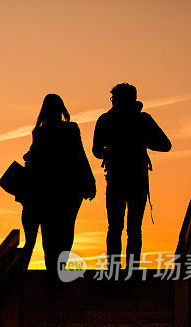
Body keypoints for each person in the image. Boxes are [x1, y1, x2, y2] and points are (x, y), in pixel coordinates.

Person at [92, 83, 171, 270]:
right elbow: (165, 144)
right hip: (136, 179)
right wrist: (143, 143)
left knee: (116, 228)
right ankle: (131, 271)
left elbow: (96, 150)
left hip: (118, 179)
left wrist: (110, 153)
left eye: (114, 99)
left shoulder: (106, 120)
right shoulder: (143, 120)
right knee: (132, 229)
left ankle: (115, 269)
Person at [22, 94, 96, 274]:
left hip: (46, 189)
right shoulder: (71, 129)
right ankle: (59, 268)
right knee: (66, 228)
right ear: (61, 109)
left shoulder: (39, 132)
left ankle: (52, 269)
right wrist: (90, 181)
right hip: (70, 189)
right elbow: (80, 156)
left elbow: (35, 162)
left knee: (49, 231)